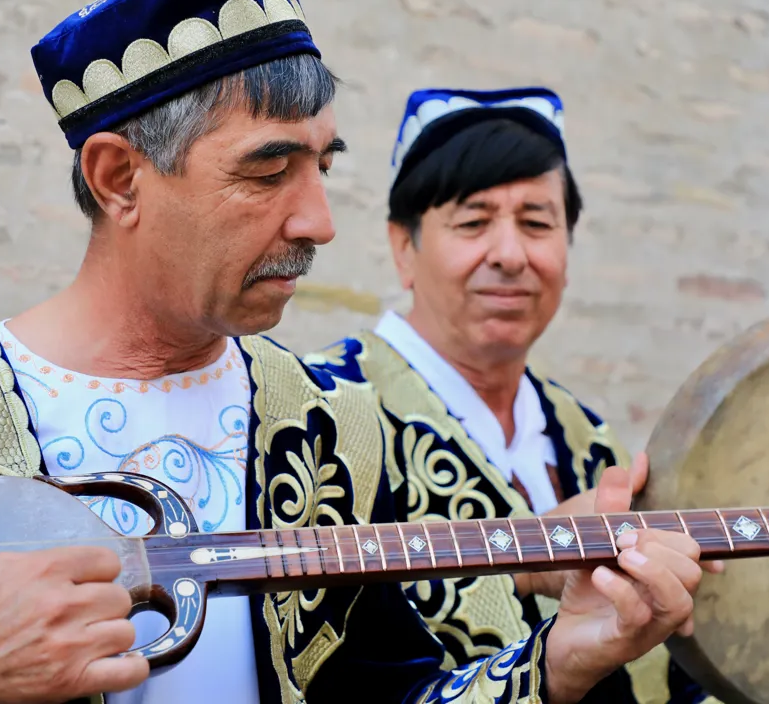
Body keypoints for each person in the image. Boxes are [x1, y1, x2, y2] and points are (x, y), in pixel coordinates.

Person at [0, 0, 706, 704]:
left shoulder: (329, 424)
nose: (319, 220)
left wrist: (562, 654)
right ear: (117, 179)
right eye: (267, 169)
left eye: (321, 165)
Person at [305, 87, 721, 703]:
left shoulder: (591, 441)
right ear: (403, 247)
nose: (509, 255)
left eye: (537, 223)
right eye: (473, 222)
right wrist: (525, 562)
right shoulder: (319, 415)